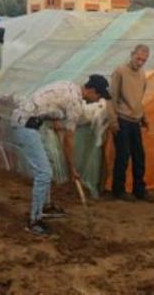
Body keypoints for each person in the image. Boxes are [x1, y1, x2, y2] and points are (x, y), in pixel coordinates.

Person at [11, 75, 111, 236]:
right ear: (91, 90)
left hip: (30, 122)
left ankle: (46, 206)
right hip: (25, 126)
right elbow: (68, 140)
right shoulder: (75, 104)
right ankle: (34, 220)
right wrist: (72, 167)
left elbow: (49, 107)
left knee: (47, 166)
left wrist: (57, 121)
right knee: (44, 173)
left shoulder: (68, 86)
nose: (97, 100)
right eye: (98, 96)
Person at [109, 44, 154, 202]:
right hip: (122, 118)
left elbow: (138, 99)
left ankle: (139, 189)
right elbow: (111, 98)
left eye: (144, 60)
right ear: (132, 54)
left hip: (135, 120)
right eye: (138, 58)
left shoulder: (142, 74)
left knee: (139, 156)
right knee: (123, 156)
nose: (140, 62)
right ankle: (118, 190)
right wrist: (113, 121)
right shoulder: (120, 71)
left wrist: (144, 117)